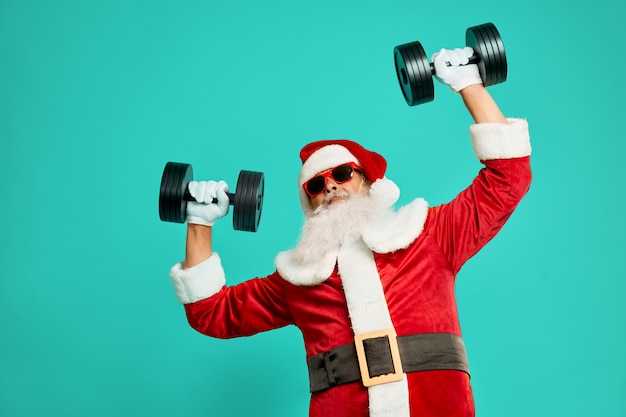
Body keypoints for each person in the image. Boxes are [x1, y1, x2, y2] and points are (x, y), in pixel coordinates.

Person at [168, 47, 532, 417]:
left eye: (342, 174)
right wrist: (199, 219)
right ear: (308, 206)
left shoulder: (428, 235)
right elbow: (211, 312)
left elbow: (509, 179)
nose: (330, 187)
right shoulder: (298, 280)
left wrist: (467, 81)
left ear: (368, 181)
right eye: (315, 186)